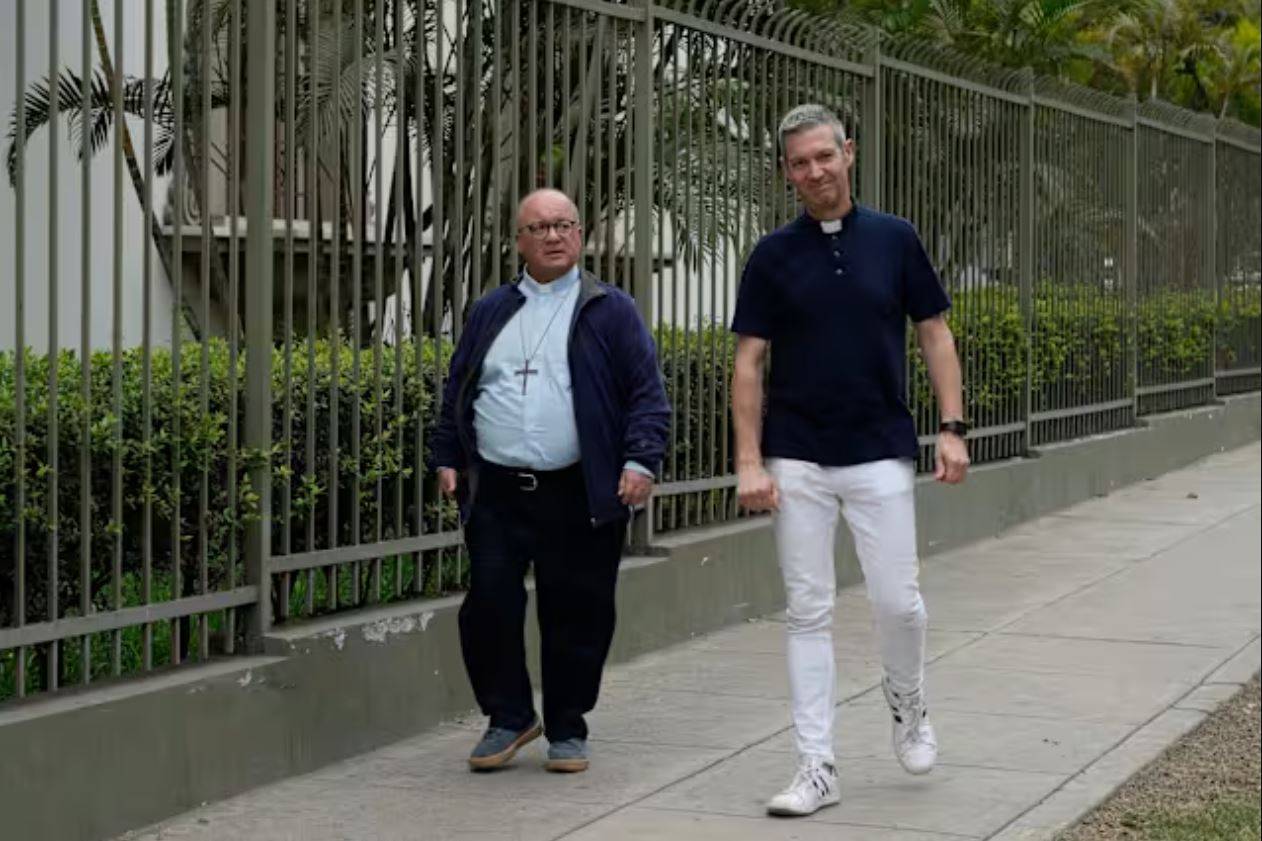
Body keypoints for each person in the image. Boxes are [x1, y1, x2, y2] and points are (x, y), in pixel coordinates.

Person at [730, 104, 970, 816]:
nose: (813, 172)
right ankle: (817, 765)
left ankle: (909, 703)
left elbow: (934, 334)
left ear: (849, 154)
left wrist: (951, 427)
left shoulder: (896, 240)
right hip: (797, 453)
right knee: (807, 608)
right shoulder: (771, 255)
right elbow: (747, 361)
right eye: (799, 163)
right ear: (786, 174)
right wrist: (750, 459)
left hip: (879, 449)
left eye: (823, 157)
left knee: (900, 601)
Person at [431, 188, 670, 774]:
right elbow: (458, 387)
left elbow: (647, 396)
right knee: (487, 606)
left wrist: (640, 461)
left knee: (577, 611)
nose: (553, 236)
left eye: (564, 224)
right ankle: (509, 717)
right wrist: (446, 455)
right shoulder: (489, 310)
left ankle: (567, 725)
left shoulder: (609, 308)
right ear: (519, 241)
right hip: (498, 491)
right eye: (539, 227)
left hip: (577, 489)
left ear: (581, 234)